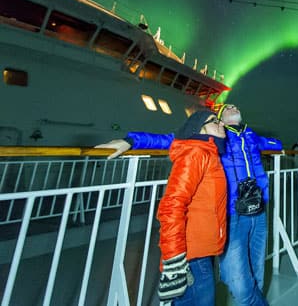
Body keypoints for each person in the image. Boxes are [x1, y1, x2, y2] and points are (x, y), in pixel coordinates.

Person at [97, 104, 282, 305]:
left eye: (234, 106)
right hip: (233, 213)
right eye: (225, 109)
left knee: (257, 272)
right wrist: (131, 140)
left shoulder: (250, 135)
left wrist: (281, 146)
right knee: (238, 281)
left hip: (259, 208)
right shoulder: (215, 139)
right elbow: (172, 139)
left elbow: (273, 143)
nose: (232, 107)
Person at [156, 110, 227, 306]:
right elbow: (171, 205)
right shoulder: (196, 153)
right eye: (214, 121)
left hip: (200, 251)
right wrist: (174, 262)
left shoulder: (209, 152)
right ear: (199, 129)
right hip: (191, 257)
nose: (221, 124)